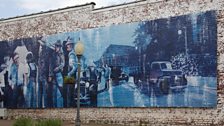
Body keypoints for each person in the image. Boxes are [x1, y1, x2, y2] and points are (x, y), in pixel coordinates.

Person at [49, 40, 65, 108]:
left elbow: (63, 64)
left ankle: (60, 108)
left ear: (60, 47)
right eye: (55, 46)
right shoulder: (53, 55)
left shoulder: (61, 54)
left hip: (59, 75)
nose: (56, 48)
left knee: (59, 93)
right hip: (53, 76)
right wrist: (50, 75)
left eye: (57, 46)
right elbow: (50, 65)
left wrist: (58, 68)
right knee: (54, 94)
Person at [37, 38, 49, 108]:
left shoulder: (45, 54)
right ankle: (39, 107)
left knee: (45, 94)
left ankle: (45, 107)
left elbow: (46, 66)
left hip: (44, 76)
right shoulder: (40, 55)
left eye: (41, 45)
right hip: (40, 76)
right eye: (40, 45)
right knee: (40, 93)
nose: (40, 47)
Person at [65, 38, 77, 107]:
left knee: (69, 94)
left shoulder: (71, 54)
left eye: (68, 44)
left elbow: (74, 67)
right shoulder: (73, 53)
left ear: (71, 45)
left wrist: (68, 75)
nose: (67, 46)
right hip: (72, 76)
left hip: (70, 76)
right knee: (70, 94)